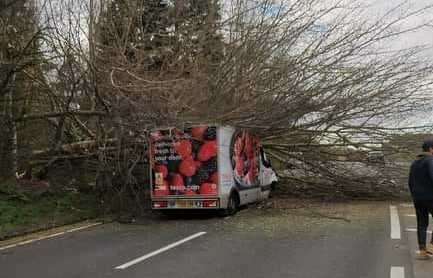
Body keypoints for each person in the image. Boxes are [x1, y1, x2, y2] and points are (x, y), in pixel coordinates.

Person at [408, 139, 433, 260]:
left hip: (418, 198)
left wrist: (415, 195)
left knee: (421, 223)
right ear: (431, 149)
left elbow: (410, 182)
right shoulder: (431, 160)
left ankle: (423, 251)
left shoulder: (415, 163)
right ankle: (432, 246)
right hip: (431, 197)